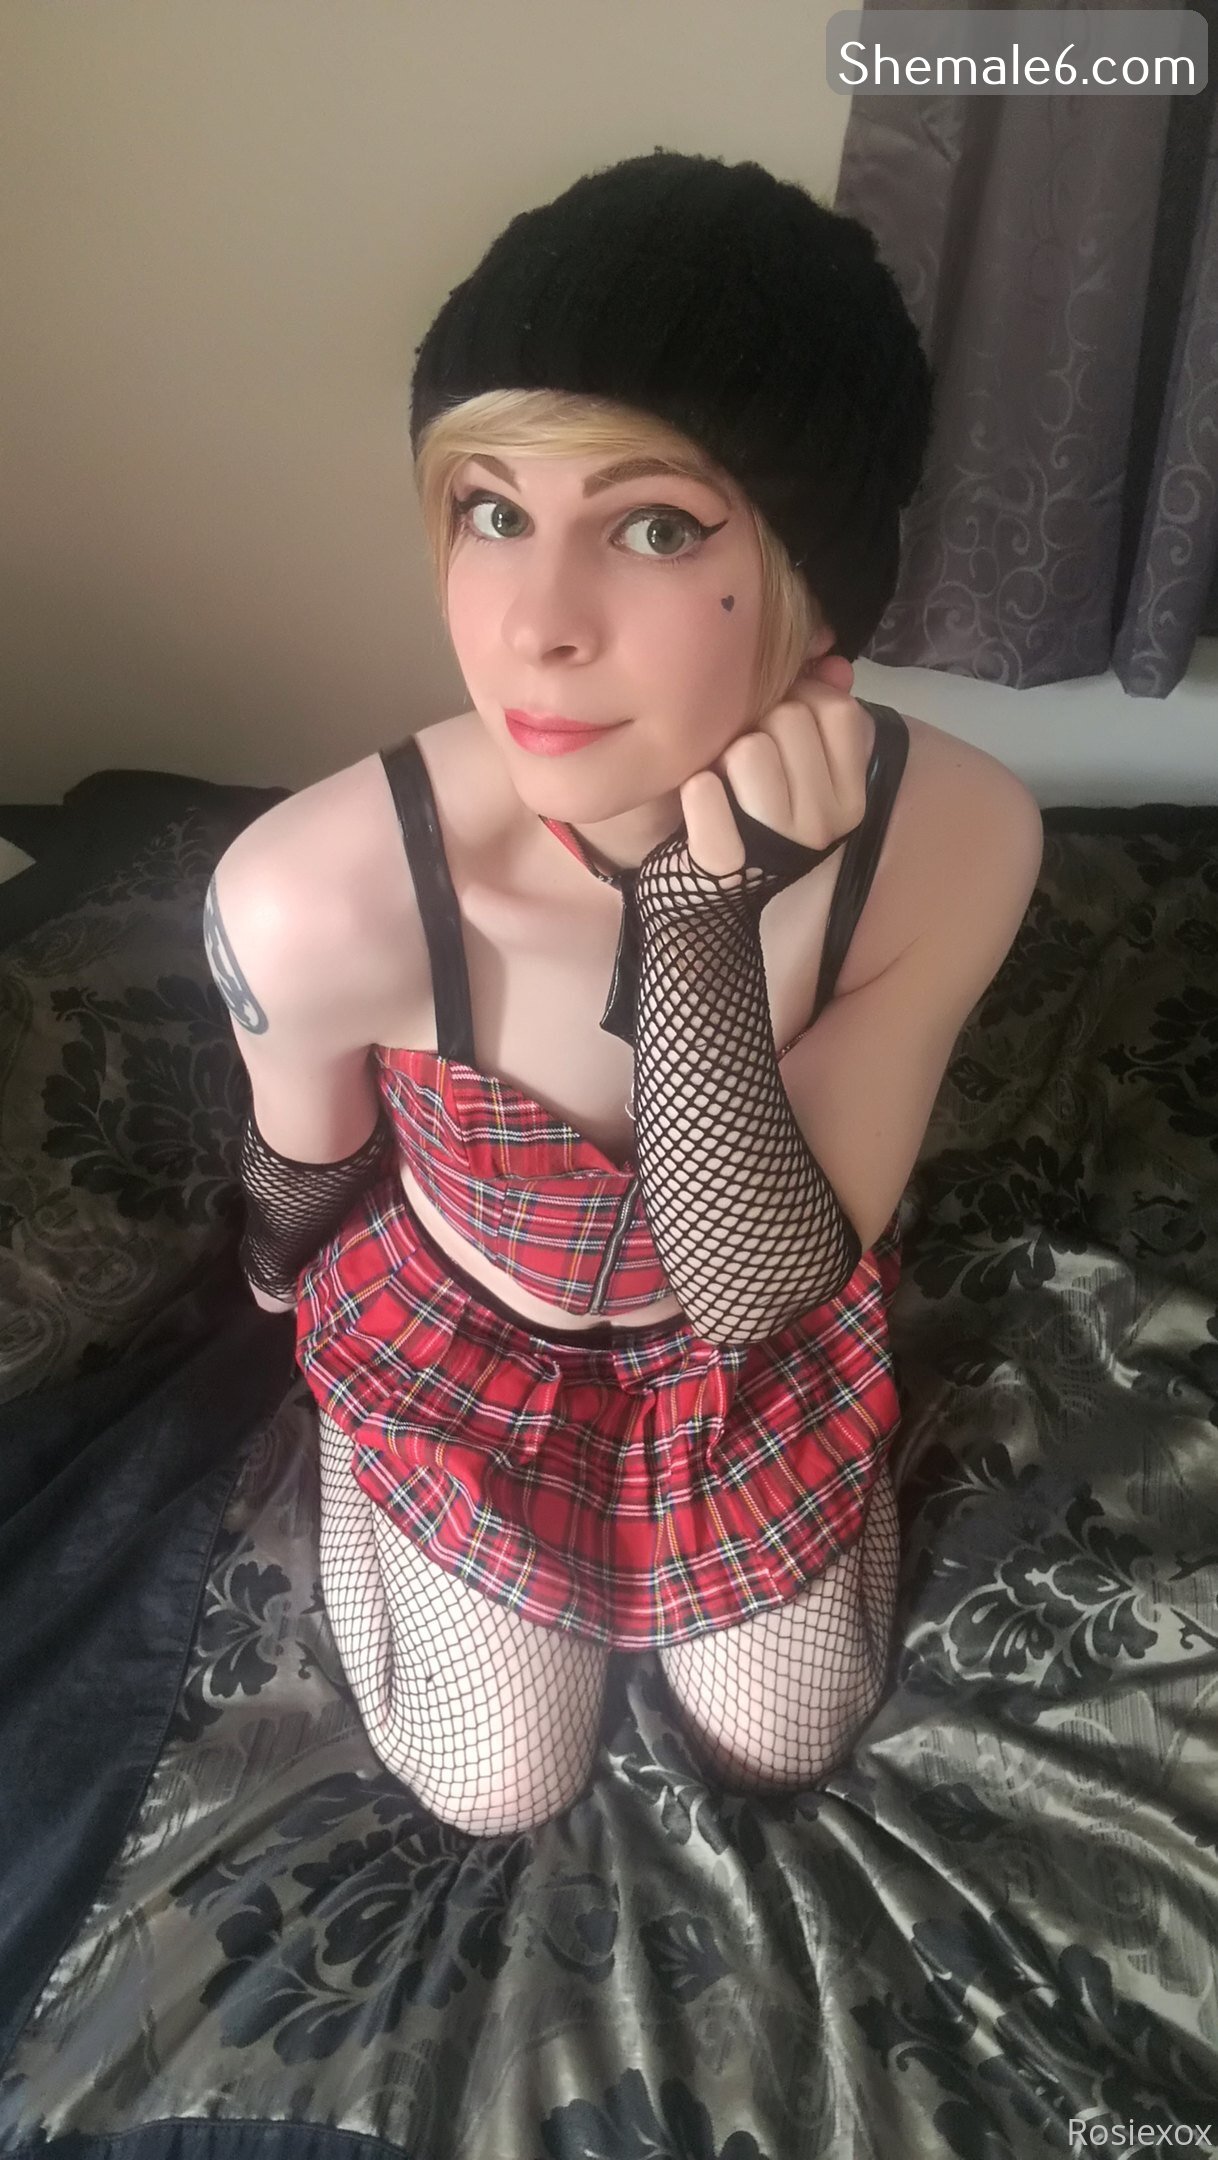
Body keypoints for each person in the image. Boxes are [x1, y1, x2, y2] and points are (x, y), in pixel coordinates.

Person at [204, 149, 1043, 1838]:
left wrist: (699, 920)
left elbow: (750, 1291)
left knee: (784, 1739)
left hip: (742, 1343)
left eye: (652, 528)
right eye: (491, 512)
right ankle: (371, 1451)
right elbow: (296, 1184)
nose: (534, 627)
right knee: (492, 1782)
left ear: (812, 576)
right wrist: (309, 1320)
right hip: (458, 1334)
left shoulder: (954, 836)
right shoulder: (315, 887)